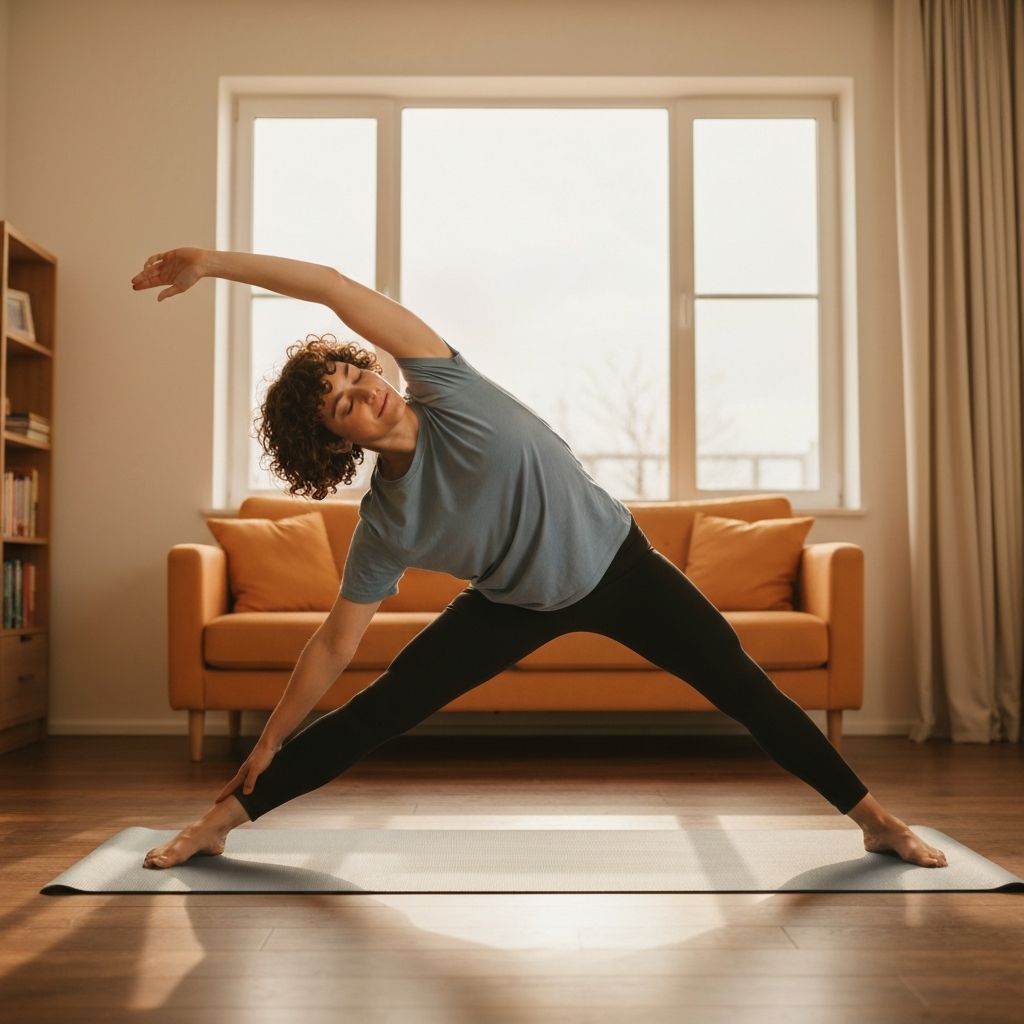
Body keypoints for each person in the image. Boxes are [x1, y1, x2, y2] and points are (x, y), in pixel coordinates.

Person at [130, 247, 948, 871]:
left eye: (352, 372)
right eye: (340, 403)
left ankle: (874, 817)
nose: (360, 389)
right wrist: (271, 738)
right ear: (334, 439)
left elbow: (336, 287)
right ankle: (219, 826)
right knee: (381, 709)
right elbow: (335, 644)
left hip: (621, 564)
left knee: (743, 685)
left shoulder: (445, 384)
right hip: (512, 605)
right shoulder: (385, 519)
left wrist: (213, 263)